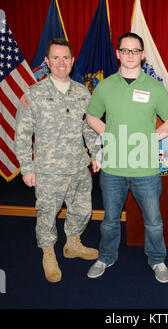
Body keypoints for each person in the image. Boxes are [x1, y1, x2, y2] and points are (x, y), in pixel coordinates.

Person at [85, 32, 168, 283]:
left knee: (154, 222)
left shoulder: (154, 87)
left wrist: (155, 136)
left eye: (135, 50)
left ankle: (157, 260)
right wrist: (110, 134)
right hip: (113, 168)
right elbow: (91, 117)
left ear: (143, 54)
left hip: (145, 169)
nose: (130, 55)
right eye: (125, 50)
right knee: (109, 220)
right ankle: (106, 256)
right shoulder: (105, 86)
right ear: (117, 53)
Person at [15, 38, 100, 283]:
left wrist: (96, 155)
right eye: (56, 58)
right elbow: (22, 133)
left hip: (77, 167)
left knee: (83, 210)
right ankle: (48, 251)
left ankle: (72, 244)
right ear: (47, 61)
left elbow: (89, 129)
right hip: (47, 169)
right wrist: (26, 168)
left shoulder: (82, 92)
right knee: (47, 213)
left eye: (65, 58)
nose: (61, 63)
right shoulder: (35, 93)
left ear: (72, 62)